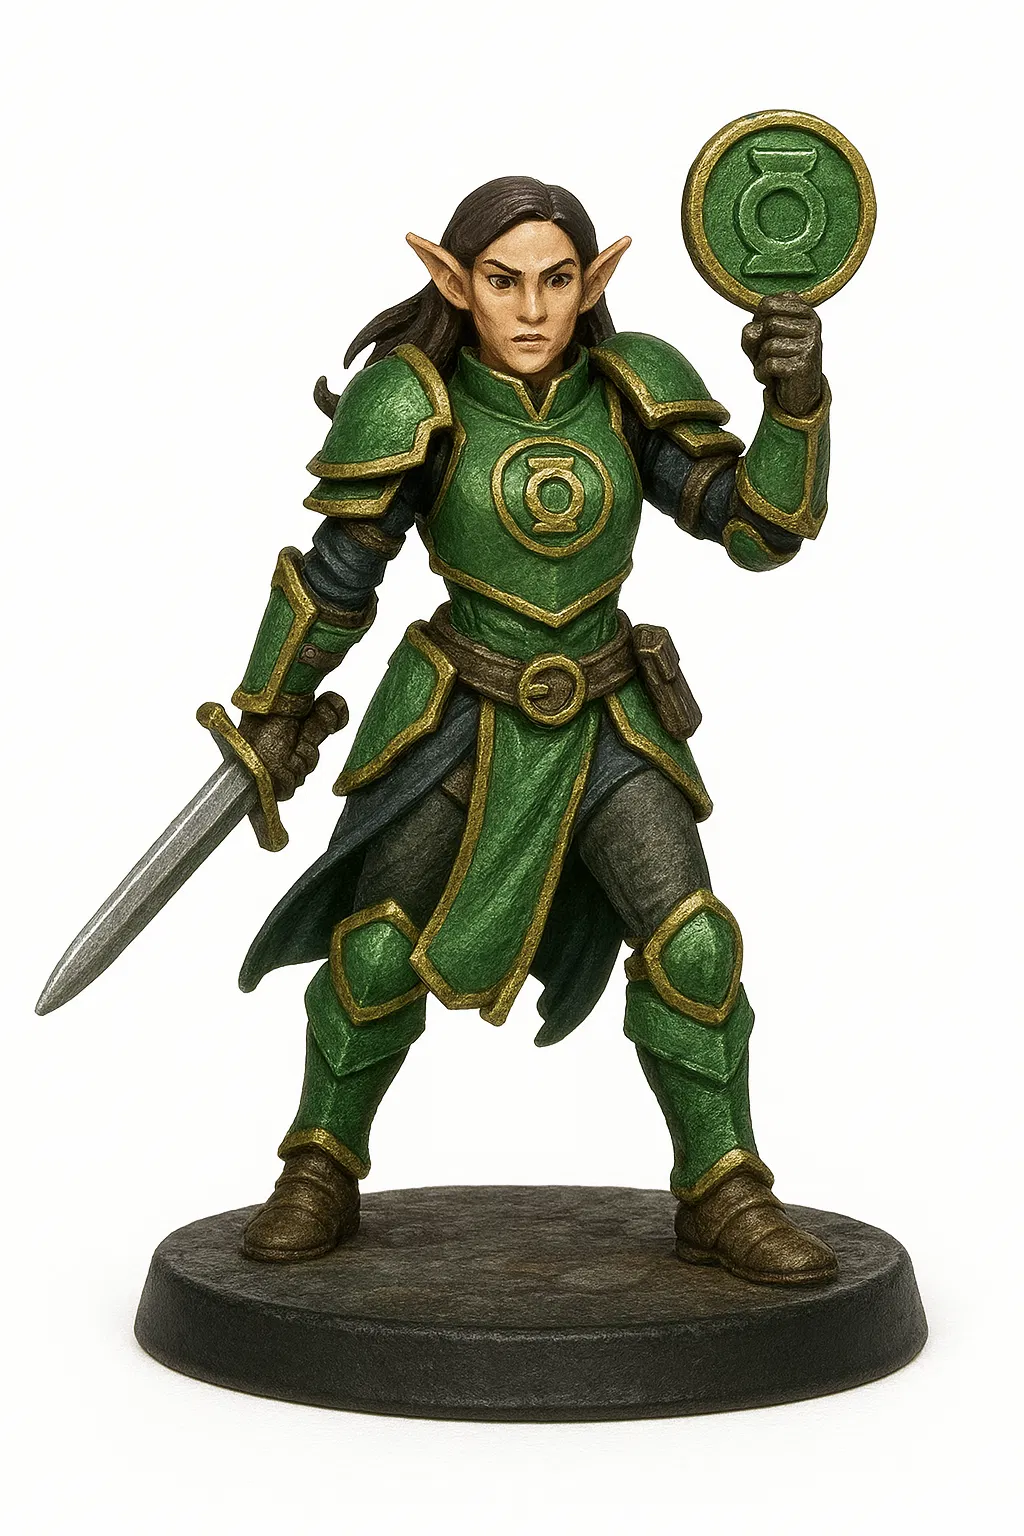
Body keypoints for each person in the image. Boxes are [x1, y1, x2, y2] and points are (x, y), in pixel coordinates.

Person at [234, 175, 837, 1284]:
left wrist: (795, 401)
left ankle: (724, 1189)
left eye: (556, 281)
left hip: (608, 718)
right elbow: (339, 575)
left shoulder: (630, 392)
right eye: (502, 281)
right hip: (458, 715)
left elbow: (760, 529)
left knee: (695, 944)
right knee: (375, 947)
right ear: (452, 280)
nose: (529, 308)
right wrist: (272, 711)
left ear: (592, 282)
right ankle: (318, 1166)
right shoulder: (415, 404)